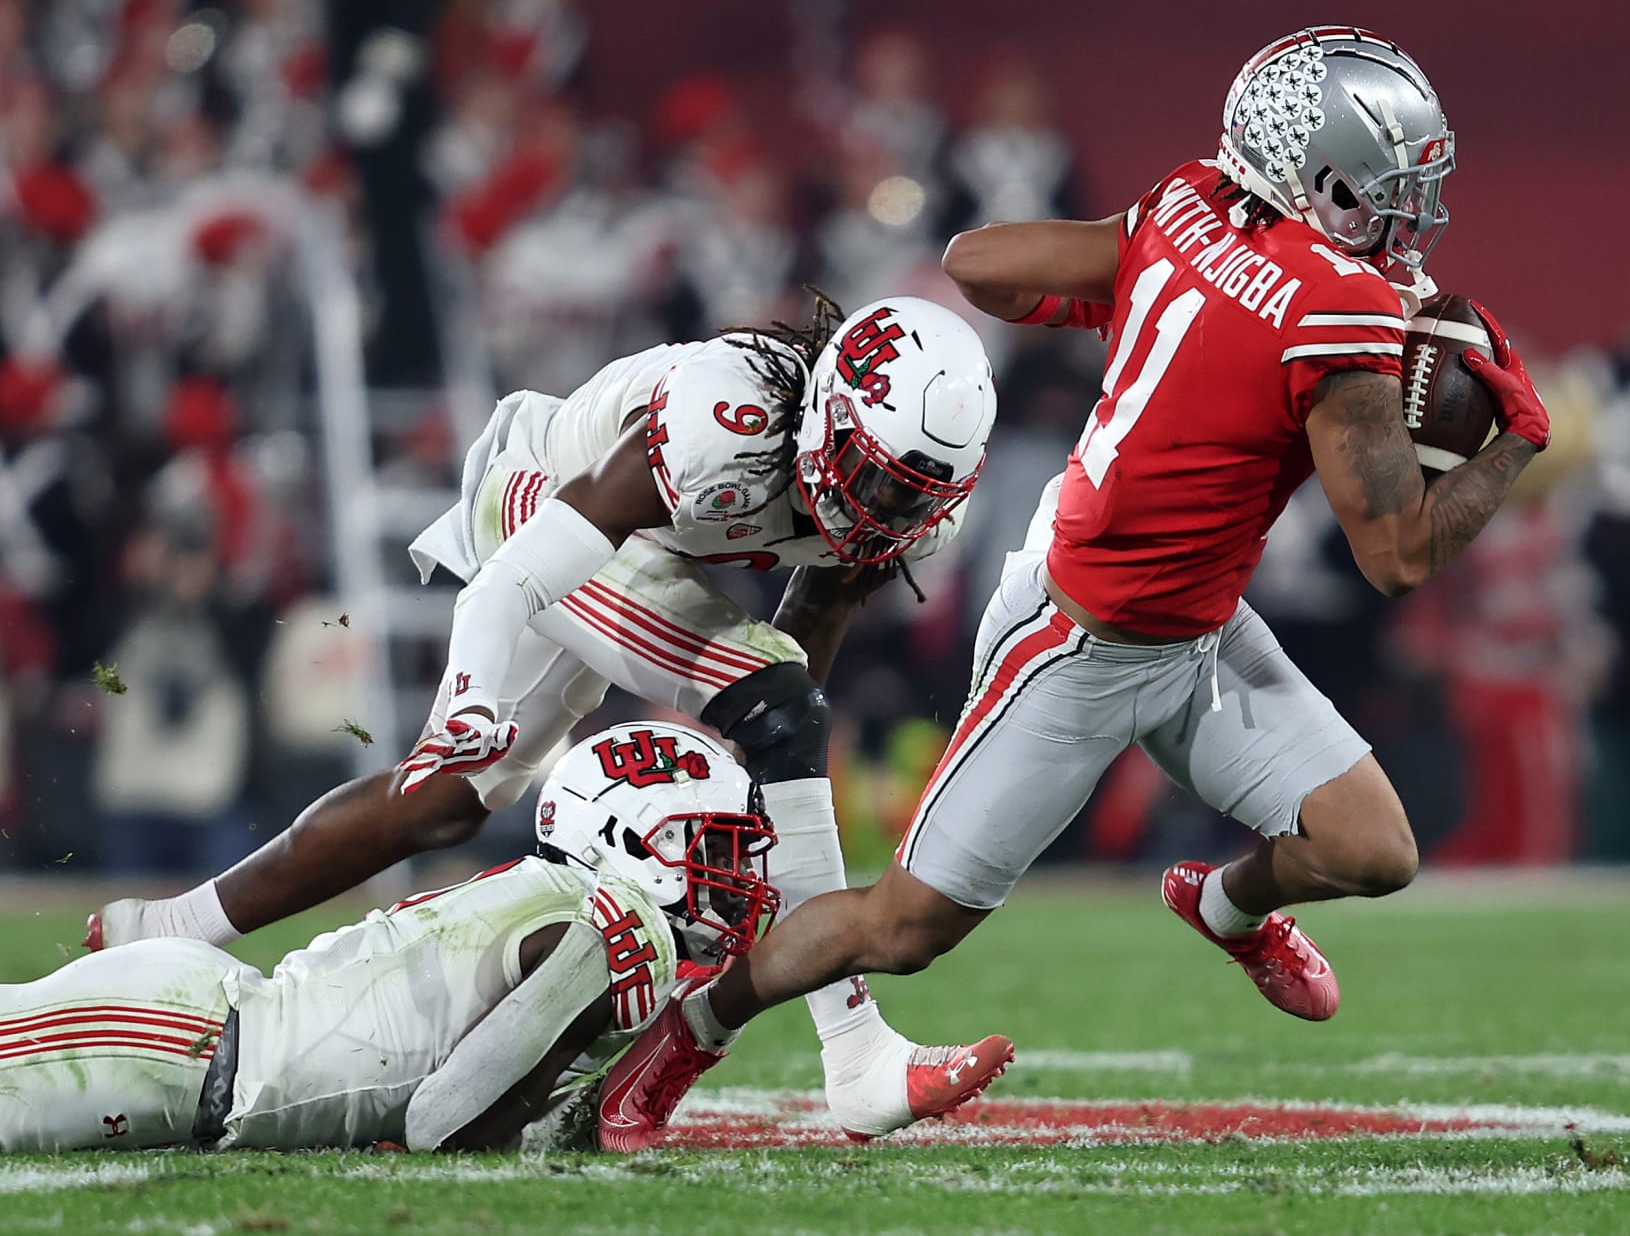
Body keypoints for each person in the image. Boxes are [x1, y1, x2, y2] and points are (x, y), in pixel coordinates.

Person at [593, 25, 1554, 1149]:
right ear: (1320, 180)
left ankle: (1225, 902)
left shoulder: (1191, 205)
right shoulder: (1333, 309)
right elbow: (1396, 555)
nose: (1408, 221)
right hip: (1077, 642)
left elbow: (975, 261)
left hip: (1195, 623)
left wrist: (1151, 297)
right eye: (1389, 192)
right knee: (901, 926)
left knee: (1372, 848)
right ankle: (671, 1045)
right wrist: (1519, 438)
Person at [87, 293, 1010, 1139]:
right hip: (539, 506)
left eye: (908, 494)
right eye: (873, 476)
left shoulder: (908, 501)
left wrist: (770, 749)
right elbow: (515, 579)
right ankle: (854, 1050)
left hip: (640, 561)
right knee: (760, 709)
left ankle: (162, 932)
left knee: (441, 807)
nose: (881, 508)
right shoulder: (718, 421)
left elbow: (809, 628)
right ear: (825, 416)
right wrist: (472, 696)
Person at [0, 722, 777, 1153]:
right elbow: (447, 1123)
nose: (731, 873)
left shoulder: (573, 903)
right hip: (178, 1047)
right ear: (632, 836)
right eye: (711, 846)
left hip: (193, 1039)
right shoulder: (612, 925)